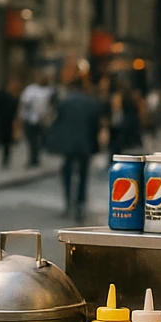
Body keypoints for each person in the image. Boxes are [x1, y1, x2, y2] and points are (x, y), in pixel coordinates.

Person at [50, 73, 101, 222]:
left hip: (69, 144)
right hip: (84, 144)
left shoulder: (66, 102)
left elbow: (57, 123)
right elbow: (95, 126)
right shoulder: (91, 102)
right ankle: (80, 204)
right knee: (83, 175)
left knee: (66, 173)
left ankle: (68, 203)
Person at [18, 72, 55, 167]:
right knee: (31, 140)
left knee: (39, 140)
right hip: (30, 118)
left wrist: (47, 115)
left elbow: (50, 105)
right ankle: (32, 158)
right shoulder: (30, 90)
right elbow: (24, 103)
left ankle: (36, 158)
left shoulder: (49, 90)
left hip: (41, 119)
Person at [0, 82, 19, 167]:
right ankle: (6, 159)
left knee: (5, 142)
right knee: (7, 143)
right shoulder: (11, 98)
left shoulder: (6, 97)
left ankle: (5, 159)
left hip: (4, 122)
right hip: (7, 122)